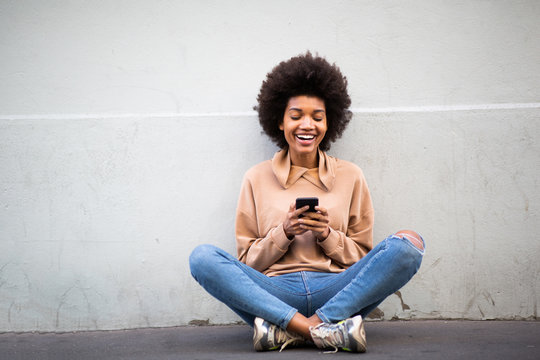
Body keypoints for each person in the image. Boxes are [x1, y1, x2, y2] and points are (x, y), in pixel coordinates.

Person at [189, 52, 425, 353]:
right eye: (296, 115)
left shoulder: (351, 176)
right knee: (202, 258)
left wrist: (327, 235)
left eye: (317, 116)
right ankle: (319, 330)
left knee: (409, 245)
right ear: (279, 120)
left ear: (329, 122)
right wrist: (283, 232)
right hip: (275, 292)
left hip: (336, 290)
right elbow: (248, 263)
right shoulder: (255, 177)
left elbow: (364, 262)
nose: (307, 125)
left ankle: (288, 331)